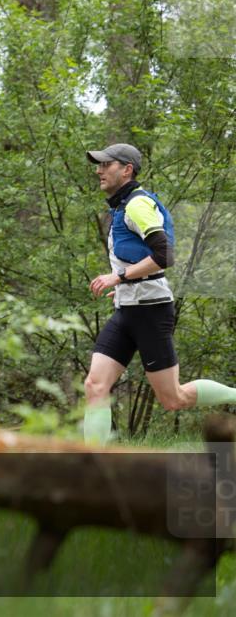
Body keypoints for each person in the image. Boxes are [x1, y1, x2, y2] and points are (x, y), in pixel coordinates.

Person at [83, 143, 236, 445]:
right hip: (128, 309)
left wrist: (119, 277)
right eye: (98, 165)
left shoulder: (138, 205)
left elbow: (164, 255)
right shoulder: (122, 207)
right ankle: (93, 465)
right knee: (95, 385)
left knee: (174, 399)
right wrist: (126, 287)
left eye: (106, 165)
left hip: (151, 311)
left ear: (127, 170)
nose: (99, 170)